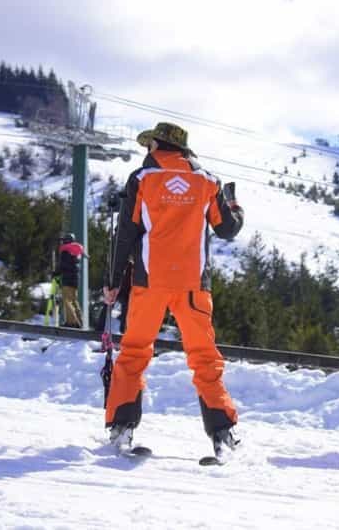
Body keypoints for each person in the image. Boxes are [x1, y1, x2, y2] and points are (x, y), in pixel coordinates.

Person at [103, 121, 244, 458]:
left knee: (135, 353)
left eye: (148, 144)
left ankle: (122, 429)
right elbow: (226, 230)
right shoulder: (208, 181)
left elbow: (126, 234)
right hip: (194, 285)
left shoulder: (142, 179)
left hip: (149, 283)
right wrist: (235, 207)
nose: (146, 150)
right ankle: (222, 434)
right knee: (204, 359)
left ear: (156, 145)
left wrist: (112, 281)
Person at [55, 232, 89, 328]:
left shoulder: (66, 251)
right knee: (74, 300)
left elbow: (63, 265)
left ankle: (72, 323)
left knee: (67, 301)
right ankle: (80, 321)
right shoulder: (76, 252)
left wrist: (56, 272)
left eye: (64, 240)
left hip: (67, 279)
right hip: (75, 280)